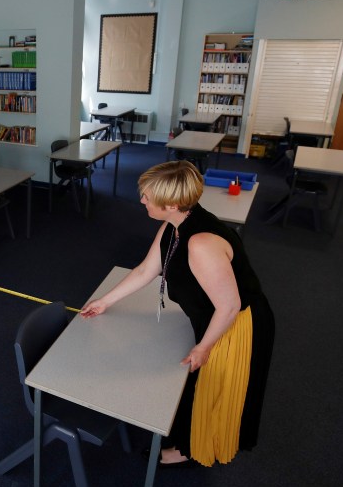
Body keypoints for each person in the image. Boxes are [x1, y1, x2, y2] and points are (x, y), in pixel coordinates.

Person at [80, 161, 274, 467]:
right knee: (196, 385)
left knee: (211, 388)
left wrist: (204, 347)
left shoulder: (201, 244)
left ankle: (189, 449)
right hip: (211, 316)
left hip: (235, 325)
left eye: (146, 196)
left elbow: (230, 306)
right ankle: (187, 439)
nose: (142, 200)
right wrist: (105, 301)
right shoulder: (175, 224)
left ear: (171, 204)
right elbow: (146, 270)